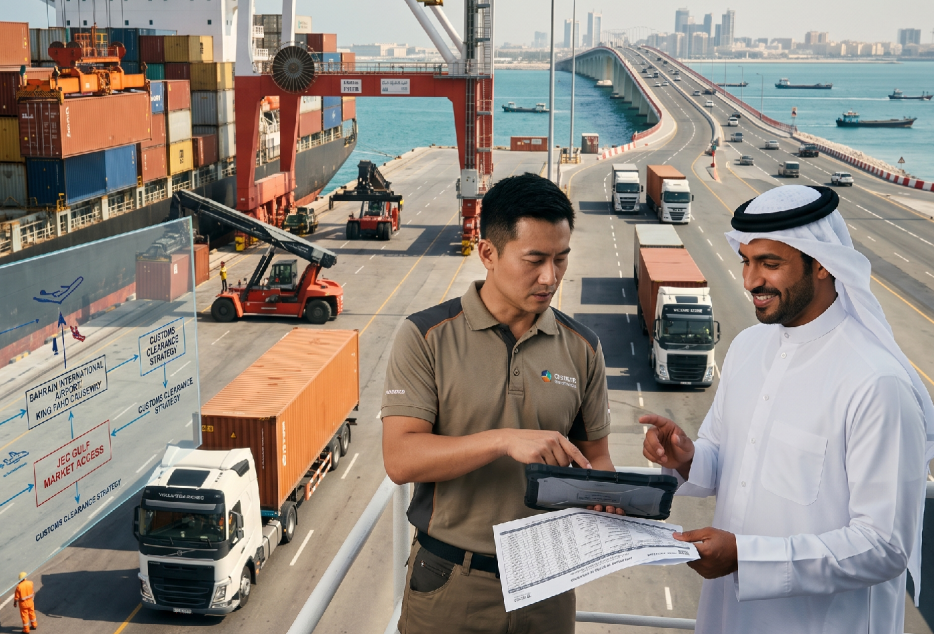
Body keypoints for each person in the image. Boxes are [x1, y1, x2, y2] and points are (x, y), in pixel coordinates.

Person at [641, 185, 932, 634]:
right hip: (730, 618)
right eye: (747, 261)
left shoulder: (876, 382)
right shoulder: (747, 347)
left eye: (770, 264)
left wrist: (746, 558)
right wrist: (688, 458)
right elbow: (728, 457)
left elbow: (884, 546)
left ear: (821, 265)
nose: (750, 280)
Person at [382, 174, 622, 634]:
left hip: (550, 581)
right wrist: (503, 441)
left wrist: (609, 496)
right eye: (534, 260)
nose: (550, 277)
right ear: (487, 253)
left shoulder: (583, 348)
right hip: (452, 580)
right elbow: (401, 458)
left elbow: (596, 456)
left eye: (560, 259)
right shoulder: (425, 336)